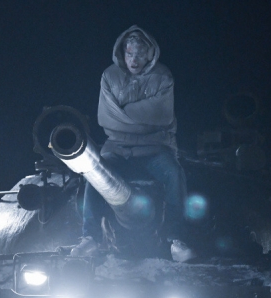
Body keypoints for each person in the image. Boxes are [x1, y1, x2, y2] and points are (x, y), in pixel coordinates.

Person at [71, 25, 194, 262]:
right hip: (117, 147)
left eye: (139, 54)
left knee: (174, 174)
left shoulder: (163, 77)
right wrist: (143, 119)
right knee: (94, 173)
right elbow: (106, 118)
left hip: (155, 148)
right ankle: (90, 237)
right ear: (122, 53)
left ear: (150, 55)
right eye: (129, 54)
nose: (134, 60)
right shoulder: (109, 76)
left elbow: (161, 115)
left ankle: (176, 240)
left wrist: (122, 115)